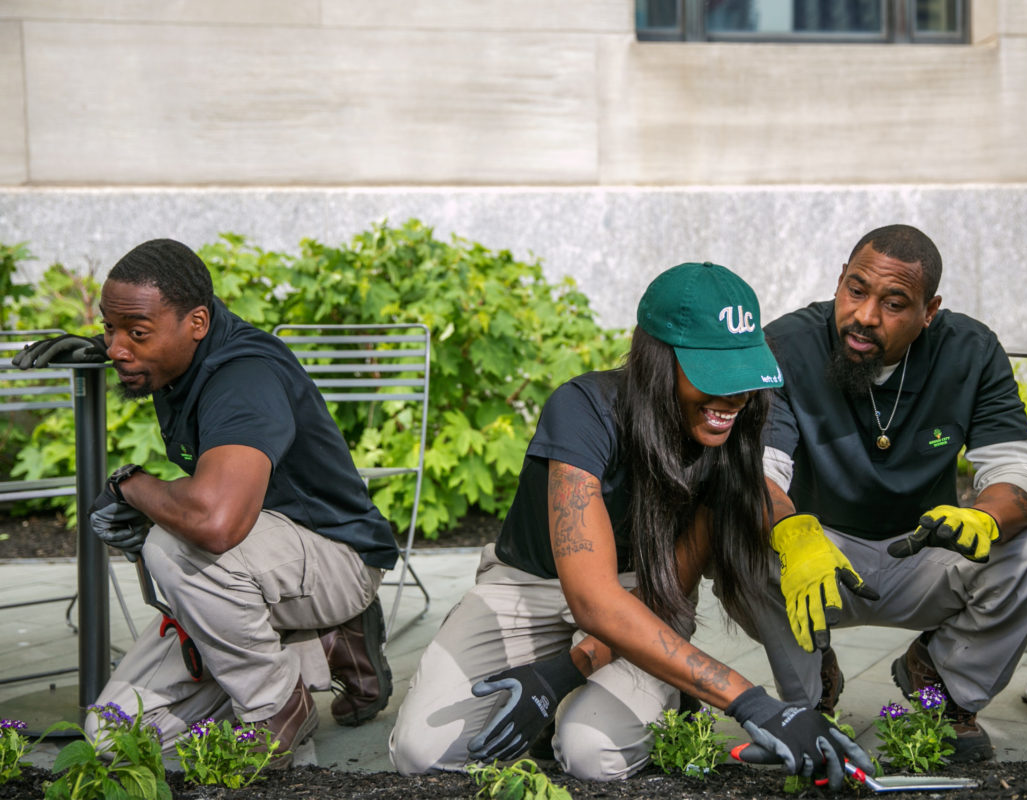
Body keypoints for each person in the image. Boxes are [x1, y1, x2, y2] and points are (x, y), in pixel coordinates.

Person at [388, 261, 873, 787]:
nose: (734, 398)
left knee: (592, 754)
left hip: (646, 594)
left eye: (742, 374)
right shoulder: (584, 410)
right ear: (656, 360)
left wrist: (567, 669)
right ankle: (575, 698)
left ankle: (635, 696)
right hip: (525, 587)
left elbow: (663, 590)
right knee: (421, 752)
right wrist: (752, 702)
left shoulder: (730, 435)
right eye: (714, 375)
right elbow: (592, 601)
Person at [12, 239, 399, 764]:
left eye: (136, 333)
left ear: (196, 322)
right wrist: (113, 348)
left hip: (336, 557)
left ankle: (276, 708)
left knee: (173, 544)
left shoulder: (243, 378)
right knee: (116, 734)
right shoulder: (180, 354)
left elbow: (216, 523)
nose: (117, 348)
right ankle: (322, 645)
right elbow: (142, 338)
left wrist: (131, 486)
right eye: (110, 328)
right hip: (260, 567)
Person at [750, 224, 1027, 763]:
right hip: (819, 556)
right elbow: (759, 471)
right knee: (736, 539)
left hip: (924, 552)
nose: (865, 315)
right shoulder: (787, 344)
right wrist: (790, 530)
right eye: (856, 290)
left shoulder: (970, 351)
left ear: (930, 310)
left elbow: (1019, 471)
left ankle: (941, 687)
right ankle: (807, 701)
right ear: (839, 282)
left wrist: (987, 519)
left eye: (894, 302)